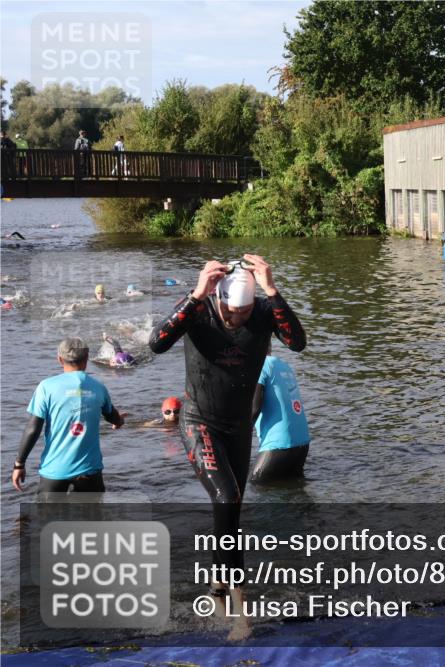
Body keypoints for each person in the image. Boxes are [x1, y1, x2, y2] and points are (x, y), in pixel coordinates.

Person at [148, 253, 306, 640]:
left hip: (238, 429)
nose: (238, 319)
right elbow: (156, 344)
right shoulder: (198, 310)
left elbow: (298, 343)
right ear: (218, 300)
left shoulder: (264, 310)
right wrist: (195, 292)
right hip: (200, 422)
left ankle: (218, 585)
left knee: (231, 513)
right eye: (232, 311)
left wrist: (271, 288)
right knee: (226, 498)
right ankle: (241, 613)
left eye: (245, 311)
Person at [11, 338, 125, 493]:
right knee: (94, 516)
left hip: (54, 472)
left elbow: (33, 429)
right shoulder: (99, 388)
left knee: (47, 517)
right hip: (89, 472)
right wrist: (119, 421)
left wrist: (19, 464)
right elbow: (111, 415)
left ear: (59, 359)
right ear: (87, 358)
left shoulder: (46, 387)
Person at [250, 349, 311, 484]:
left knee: (256, 485)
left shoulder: (258, 365)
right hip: (302, 445)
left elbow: (254, 409)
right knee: (293, 489)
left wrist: (237, 438)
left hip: (279, 446)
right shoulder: (284, 365)